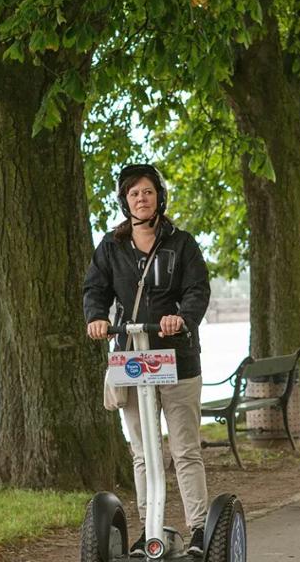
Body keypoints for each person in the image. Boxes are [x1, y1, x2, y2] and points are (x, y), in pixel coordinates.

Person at [83, 164, 211, 556]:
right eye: (134, 193)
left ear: (160, 197)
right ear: (125, 201)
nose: (142, 198)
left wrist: (182, 318)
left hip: (177, 357)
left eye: (148, 192)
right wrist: (97, 318)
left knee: (184, 449)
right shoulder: (111, 246)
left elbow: (197, 289)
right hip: (132, 357)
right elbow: (95, 289)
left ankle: (200, 530)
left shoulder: (182, 243)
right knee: (142, 451)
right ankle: (149, 529)